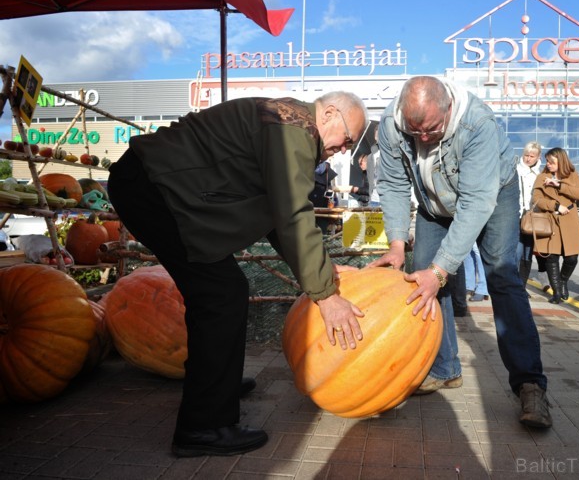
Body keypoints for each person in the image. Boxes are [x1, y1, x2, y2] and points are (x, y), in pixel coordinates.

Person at [107, 92, 369, 458]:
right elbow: (292, 215)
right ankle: (203, 427)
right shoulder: (292, 128)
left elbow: (280, 218)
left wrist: (320, 269)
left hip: (154, 184)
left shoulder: (291, 123)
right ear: (328, 114)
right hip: (153, 185)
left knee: (218, 292)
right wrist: (326, 296)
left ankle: (217, 389)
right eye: (349, 138)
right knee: (221, 294)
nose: (345, 150)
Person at [369, 76, 551, 428]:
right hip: (433, 203)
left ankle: (530, 384)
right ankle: (444, 368)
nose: (422, 138)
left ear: (449, 108)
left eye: (431, 129)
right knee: (422, 277)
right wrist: (395, 242)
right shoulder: (392, 124)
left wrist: (443, 269)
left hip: (491, 196)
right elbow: (392, 183)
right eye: (414, 130)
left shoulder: (477, 123)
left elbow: (476, 202)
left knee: (501, 274)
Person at [531, 148, 579, 304]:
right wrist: (555, 206)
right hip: (550, 220)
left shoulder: (572, 175)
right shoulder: (542, 177)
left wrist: (558, 184)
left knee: (572, 257)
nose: (548, 165)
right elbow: (537, 200)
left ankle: (562, 281)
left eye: (552, 162)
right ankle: (556, 292)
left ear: (561, 161)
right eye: (547, 161)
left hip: (569, 220)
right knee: (552, 257)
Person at [515, 141, 547, 294]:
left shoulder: (541, 175)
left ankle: (522, 286)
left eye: (532, 156)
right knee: (516, 253)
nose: (528, 159)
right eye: (526, 155)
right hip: (515, 216)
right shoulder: (516, 170)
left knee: (528, 254)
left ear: (538, 157)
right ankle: (513, 286)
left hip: (532, 219)